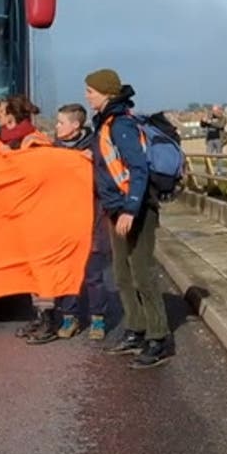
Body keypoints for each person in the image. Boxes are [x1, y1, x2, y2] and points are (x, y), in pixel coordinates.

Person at [86, 69, 175, 369]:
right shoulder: (105, 124)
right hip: (116, 208)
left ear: (106, 93)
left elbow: (138, 169)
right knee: (122, 274)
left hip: (134, 210)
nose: (88, 96)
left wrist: (130, 209)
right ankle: (136, 329)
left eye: (91, 91)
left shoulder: (120, 125)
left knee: (141, 273)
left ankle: (158, 338)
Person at [23, 103, 112, 344]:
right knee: (65, 272)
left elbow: (107, 181)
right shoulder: (54, 148)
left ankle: (97, 319)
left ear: (75, 125)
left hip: (91, 221)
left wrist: (91, 166)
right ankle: (69, 316)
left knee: (92, 275)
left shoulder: (95, 147)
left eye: (61, 123)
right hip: (63, 224)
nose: (57, 127)